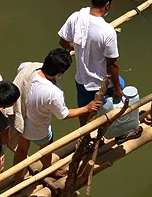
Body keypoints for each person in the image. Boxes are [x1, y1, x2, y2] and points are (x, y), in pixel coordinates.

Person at [13, 49, 101, 181]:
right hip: (38, 128)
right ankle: (47, 169)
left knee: (22, 149)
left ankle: (17, 178)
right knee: (46, 147)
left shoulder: (28, 67)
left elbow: (21, 70)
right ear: (59, 74)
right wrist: (86, 108)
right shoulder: (53, 93)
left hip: (20, 119)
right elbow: (63, 115)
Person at [58, 0, 122, 125]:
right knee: (116, 99)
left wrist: (75, 46)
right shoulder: (107, 31)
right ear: (107, 5)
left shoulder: (76, 17)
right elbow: (112, 65)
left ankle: (84, 134)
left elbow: (63, 41)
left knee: (84, 110)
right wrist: (117, 89)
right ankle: (116, 132)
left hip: (81, 80)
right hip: (101, 83)